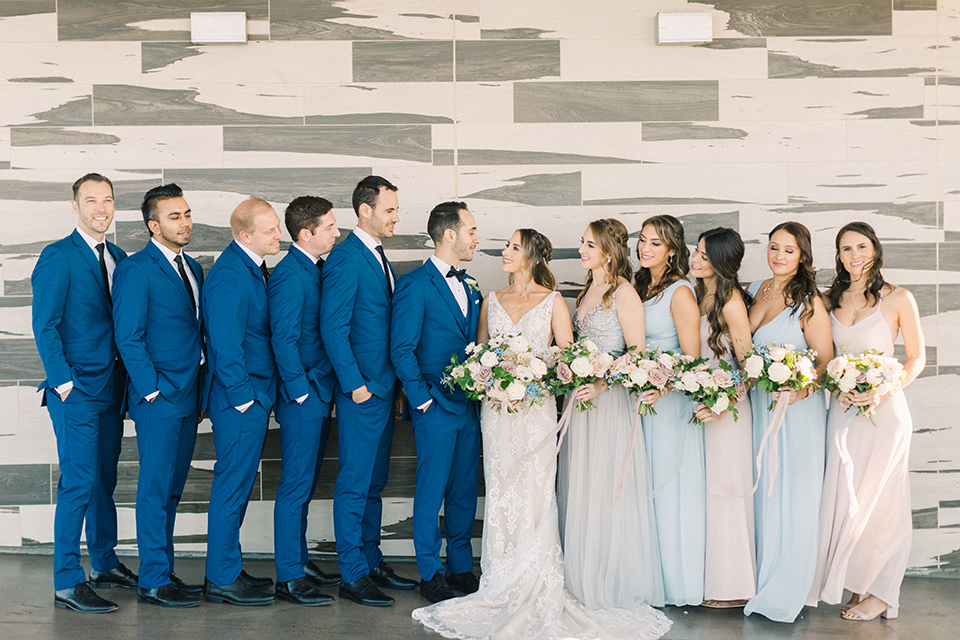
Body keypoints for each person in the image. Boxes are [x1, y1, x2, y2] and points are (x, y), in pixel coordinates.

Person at [413, 229, 671, 640]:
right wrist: (491, 379)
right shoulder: (489, 301)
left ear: (532, 256)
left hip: (535, 411)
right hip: (497, 412)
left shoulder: (554, 302)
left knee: (535, 492)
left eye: (514, 246)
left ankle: (536, 577)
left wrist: (533, 373)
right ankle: (500, 577)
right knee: (500, 490)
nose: (505, 251)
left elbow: (568, 359)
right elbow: (478, 355)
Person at [807, 222, 924, 621]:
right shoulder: (828, 300)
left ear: (874, 249)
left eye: (861, 246)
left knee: (884, 502)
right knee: (848, 503)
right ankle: (858, 584)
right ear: (838, 256)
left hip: (884, 412)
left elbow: (916, 358)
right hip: (841, 413)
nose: (854, 255)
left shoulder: (898, 298)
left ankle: (881, 592)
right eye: (845, 249)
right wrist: (830, 384)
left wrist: (883, 390)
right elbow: (822, 358)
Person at [32, 173, 135, 614]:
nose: (101, 208)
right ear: (74, 206)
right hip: (76, 390)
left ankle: (105, 562)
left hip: (111, 387)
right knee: (77, 483)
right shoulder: (58, 256)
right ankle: (67, 582)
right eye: (91, 200)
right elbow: (45, 325)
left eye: (108, 200)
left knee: (103, 481)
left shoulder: (117, 255)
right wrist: (65, 381)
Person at [557, 219, 665, 609]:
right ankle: (580, 570)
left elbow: (636, 351)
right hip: (579, 400)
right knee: (582, 483)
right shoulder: (588, 289)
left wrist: (602, 383)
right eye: (582, 242)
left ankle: (608, 576)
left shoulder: (623, 292)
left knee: (604, 485)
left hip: (608, 402)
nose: (582, 250)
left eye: (589, 244)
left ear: (608, 251)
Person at [320, 176, 416, 607]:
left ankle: (371, 558)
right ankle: (352, 573)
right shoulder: (345, 258)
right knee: (355, 483)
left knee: (374, 482)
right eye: (390, 209)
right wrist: (356, 387)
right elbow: (333, 329)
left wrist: (393, 387)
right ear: (365, 210)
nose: (397, 217)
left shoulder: (377, 256)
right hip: (362, 392)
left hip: (384, 389)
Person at [112, 183, 204, 608]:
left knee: (171, 491)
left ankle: (163, 571)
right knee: (153, 489)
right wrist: (151, 392)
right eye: (174, 216)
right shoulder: (136, 268)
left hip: (190, 397)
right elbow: (128, 337)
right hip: (160, 399)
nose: (184, 222)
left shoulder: (194, 268)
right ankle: (151, 580)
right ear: (153, 225)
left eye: (186, 214)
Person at [391, 202, 483, 603]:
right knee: (431, 491)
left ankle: (460, 567)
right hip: (434, 407)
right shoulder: (414, 285)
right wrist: (422, 401)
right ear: (450, 234)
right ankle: (430, 572)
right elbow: (401, 350)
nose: (477, 239)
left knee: (464, 489)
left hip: (469, 406)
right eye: (472, 231)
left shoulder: (472, 285)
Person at [745, 221, 832, 623]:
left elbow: (825, 361)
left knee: (793, 494)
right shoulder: (759, 289)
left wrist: (797, 390)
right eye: (774, 247)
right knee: (765, 493)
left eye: (789, 251)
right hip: (760, 403)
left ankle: (788, 586)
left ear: (802, 256)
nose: (779, 256)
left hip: (795, 411)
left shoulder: (809, 301)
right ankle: (760, 578)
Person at [202, 198, 282, 606]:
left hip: (250, 396)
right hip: (239, 401)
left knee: (238, 486)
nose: (279, 236)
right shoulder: (231, 274)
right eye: (270, 231)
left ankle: (228, 567)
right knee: (231, 488)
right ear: (245, 234)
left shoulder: (251, 266)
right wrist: (246, 401)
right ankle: (220, 578)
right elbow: (225, 343)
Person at [268, 196, 342, 606]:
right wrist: (300, 392)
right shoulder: (289, 275)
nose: (336, 233)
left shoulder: (315, 267)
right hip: (303, 396)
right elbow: (283, 338)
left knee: (306, 483)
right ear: (305, 234)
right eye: (329, 227)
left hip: (320, 391)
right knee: (295, 486)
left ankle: (297, 560)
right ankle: (289, 576)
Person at [634, 214, 703, 607]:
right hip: (640, 401)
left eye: (655, 243)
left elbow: (691, 358)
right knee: (644, 492)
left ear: (673, 250)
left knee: (669, 489)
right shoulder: (640, 286)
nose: (645, 248)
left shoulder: (680, 292)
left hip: (669, 403)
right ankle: (647, 576)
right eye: (643, 240)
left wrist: (661, 384)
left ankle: (676, 582)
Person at [689, 228, 756, 609]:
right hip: (702, 404)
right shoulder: (699, 295)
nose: (695, 260)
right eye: (695, 253)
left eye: (703, 255)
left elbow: (747, 367)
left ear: (721, 261)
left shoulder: (731, 303)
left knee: (726, 493)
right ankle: (708, 578)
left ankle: (733, 587)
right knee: (706, 494)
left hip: (728, 410)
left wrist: (721, 403)